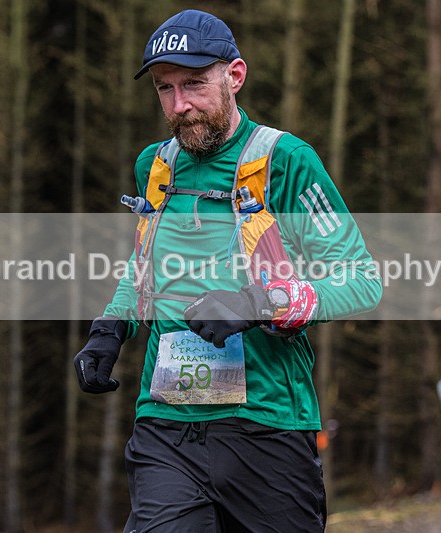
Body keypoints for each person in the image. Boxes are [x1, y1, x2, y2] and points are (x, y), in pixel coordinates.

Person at [74, 9, 382, 532]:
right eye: (164, 89)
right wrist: (110, 328)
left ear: (234, 75)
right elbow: (145, 264)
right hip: (166, 423)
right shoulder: (155, 166)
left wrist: (261, 303)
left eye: (193, 84)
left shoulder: (285, 160)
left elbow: (361, 280)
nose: (180, 105)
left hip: (266, 425)